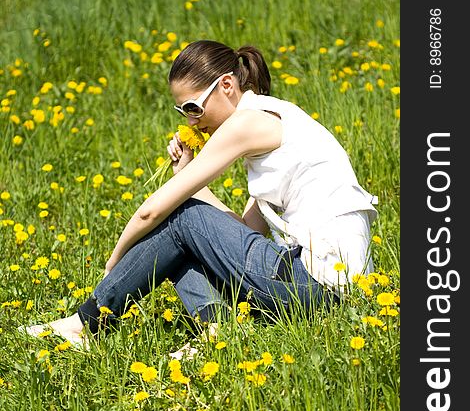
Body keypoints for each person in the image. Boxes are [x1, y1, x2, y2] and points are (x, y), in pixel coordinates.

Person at [22, 39, 378, 350]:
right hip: (327, 291)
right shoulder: (273, 124)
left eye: (194, 108)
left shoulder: (247, 122)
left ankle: (84, 324)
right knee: (187, 231)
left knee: (180, 214)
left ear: (226, 85)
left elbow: (153, 212)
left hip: (317, 286)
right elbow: (246, 236)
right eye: (183, 112)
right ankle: (216, 331)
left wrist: (114, 262)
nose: (192, 122)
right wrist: (190, 175)